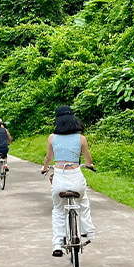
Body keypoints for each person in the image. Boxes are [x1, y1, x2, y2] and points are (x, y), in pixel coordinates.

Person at [41, 105, 95, 257]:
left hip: (59, 178)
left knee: (58, 210)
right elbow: (88, 160)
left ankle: (57, 244)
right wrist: (89, 165)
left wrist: (45, 168)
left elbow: (48, 158)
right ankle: (87, 231)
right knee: (83, 202)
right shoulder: (81, 139)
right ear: (73, 119)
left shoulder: (52, 138)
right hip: (76, 178)